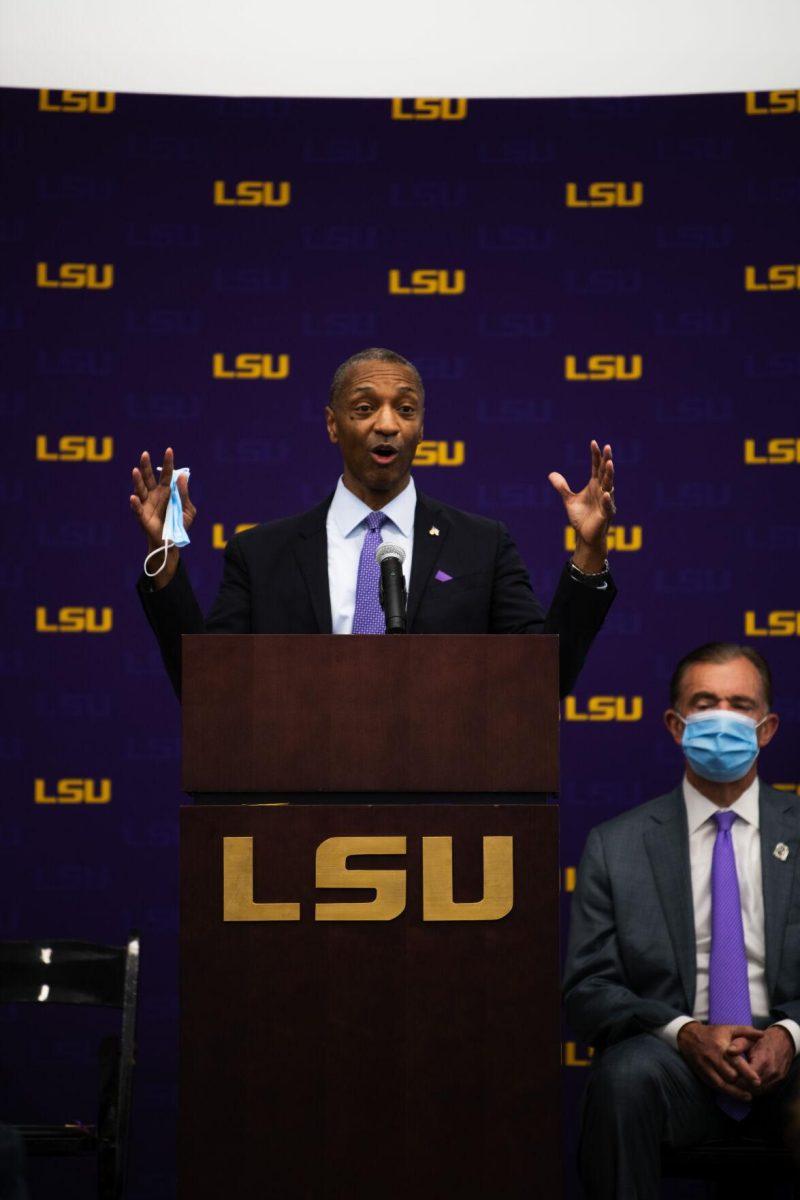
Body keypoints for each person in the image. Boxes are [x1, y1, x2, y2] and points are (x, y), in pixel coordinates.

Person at [130, 347, 617, 698]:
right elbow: (207, 687)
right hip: (299, 806)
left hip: (445, 808)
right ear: (332, 424)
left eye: (405, 409)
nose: (387, 424)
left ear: (421, 428)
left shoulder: (482, 546)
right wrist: (165, 557)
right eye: (365, 408)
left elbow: (543, 678)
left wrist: (590, 553)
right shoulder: (260, 554)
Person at [563, 642, 800, 1198]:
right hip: (672, 1069)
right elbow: (588, 990)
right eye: (705, 703)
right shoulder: (615, 846)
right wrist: (686, 1033)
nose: (722, 718)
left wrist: (788, 1035)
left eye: (740, 705)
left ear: (766, 728)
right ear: (676, 724)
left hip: (792, 1067)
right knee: (622, 1078)